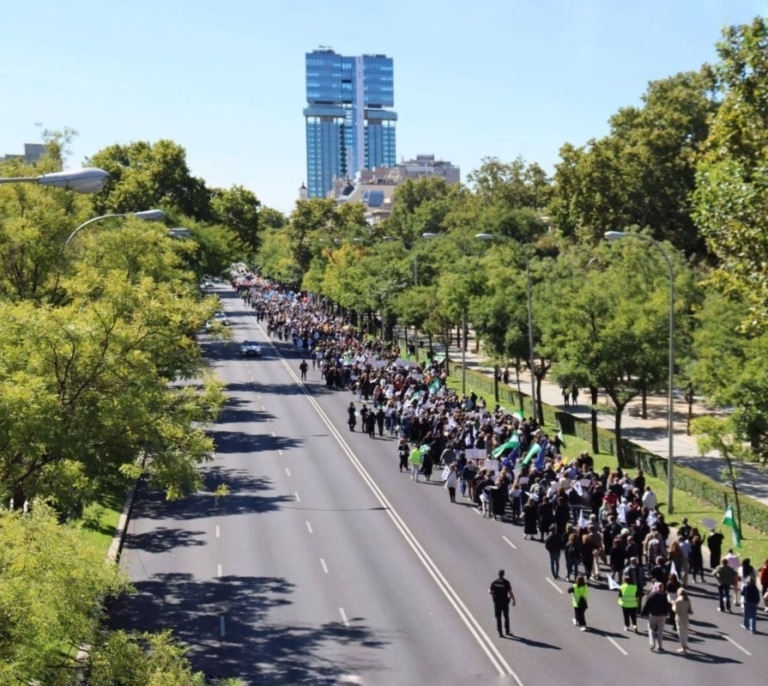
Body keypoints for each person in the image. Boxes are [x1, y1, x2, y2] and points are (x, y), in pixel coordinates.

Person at [642, 582, 671, 652]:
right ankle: (660, 646)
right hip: (662, 616)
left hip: (653, 615)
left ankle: (652, 643)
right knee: (660, 631)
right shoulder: (664, 596)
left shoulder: (652, 595)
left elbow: (647, 604)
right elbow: (667, 606)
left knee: (651, 629)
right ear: (662, 588)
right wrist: (666, 613)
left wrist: (643, 613)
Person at [489, 569, 516, 637]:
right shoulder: (506, 582)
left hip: (497, 602)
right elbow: (510, 592)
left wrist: (490, 591)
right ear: (503, 574)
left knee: (498, 617)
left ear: (498, 574)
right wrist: (513, 600)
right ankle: (507, 631)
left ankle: (500, 632)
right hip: (505, 602)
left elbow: (491, 591)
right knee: (506, 616)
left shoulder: (494, 582)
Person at [673, 588, 693, 654]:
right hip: (686, 617)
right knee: (685, 632)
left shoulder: (678, 600)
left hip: (679, 618)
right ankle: (685, 644)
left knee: (680, 632)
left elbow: (676, 610)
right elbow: (690, 610)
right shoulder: (687, 599)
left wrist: (673, 604)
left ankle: (683, 647)